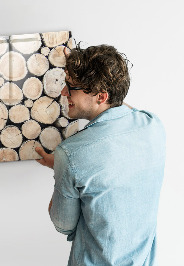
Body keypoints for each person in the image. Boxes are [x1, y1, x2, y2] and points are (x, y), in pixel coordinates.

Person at [35, 44, 166, 265]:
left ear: (101, 96)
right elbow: (119, 106)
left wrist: (61, 169)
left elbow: (63, 225)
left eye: (71, 87)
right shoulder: (153, 125)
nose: (64, 92)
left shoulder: (70, 154)